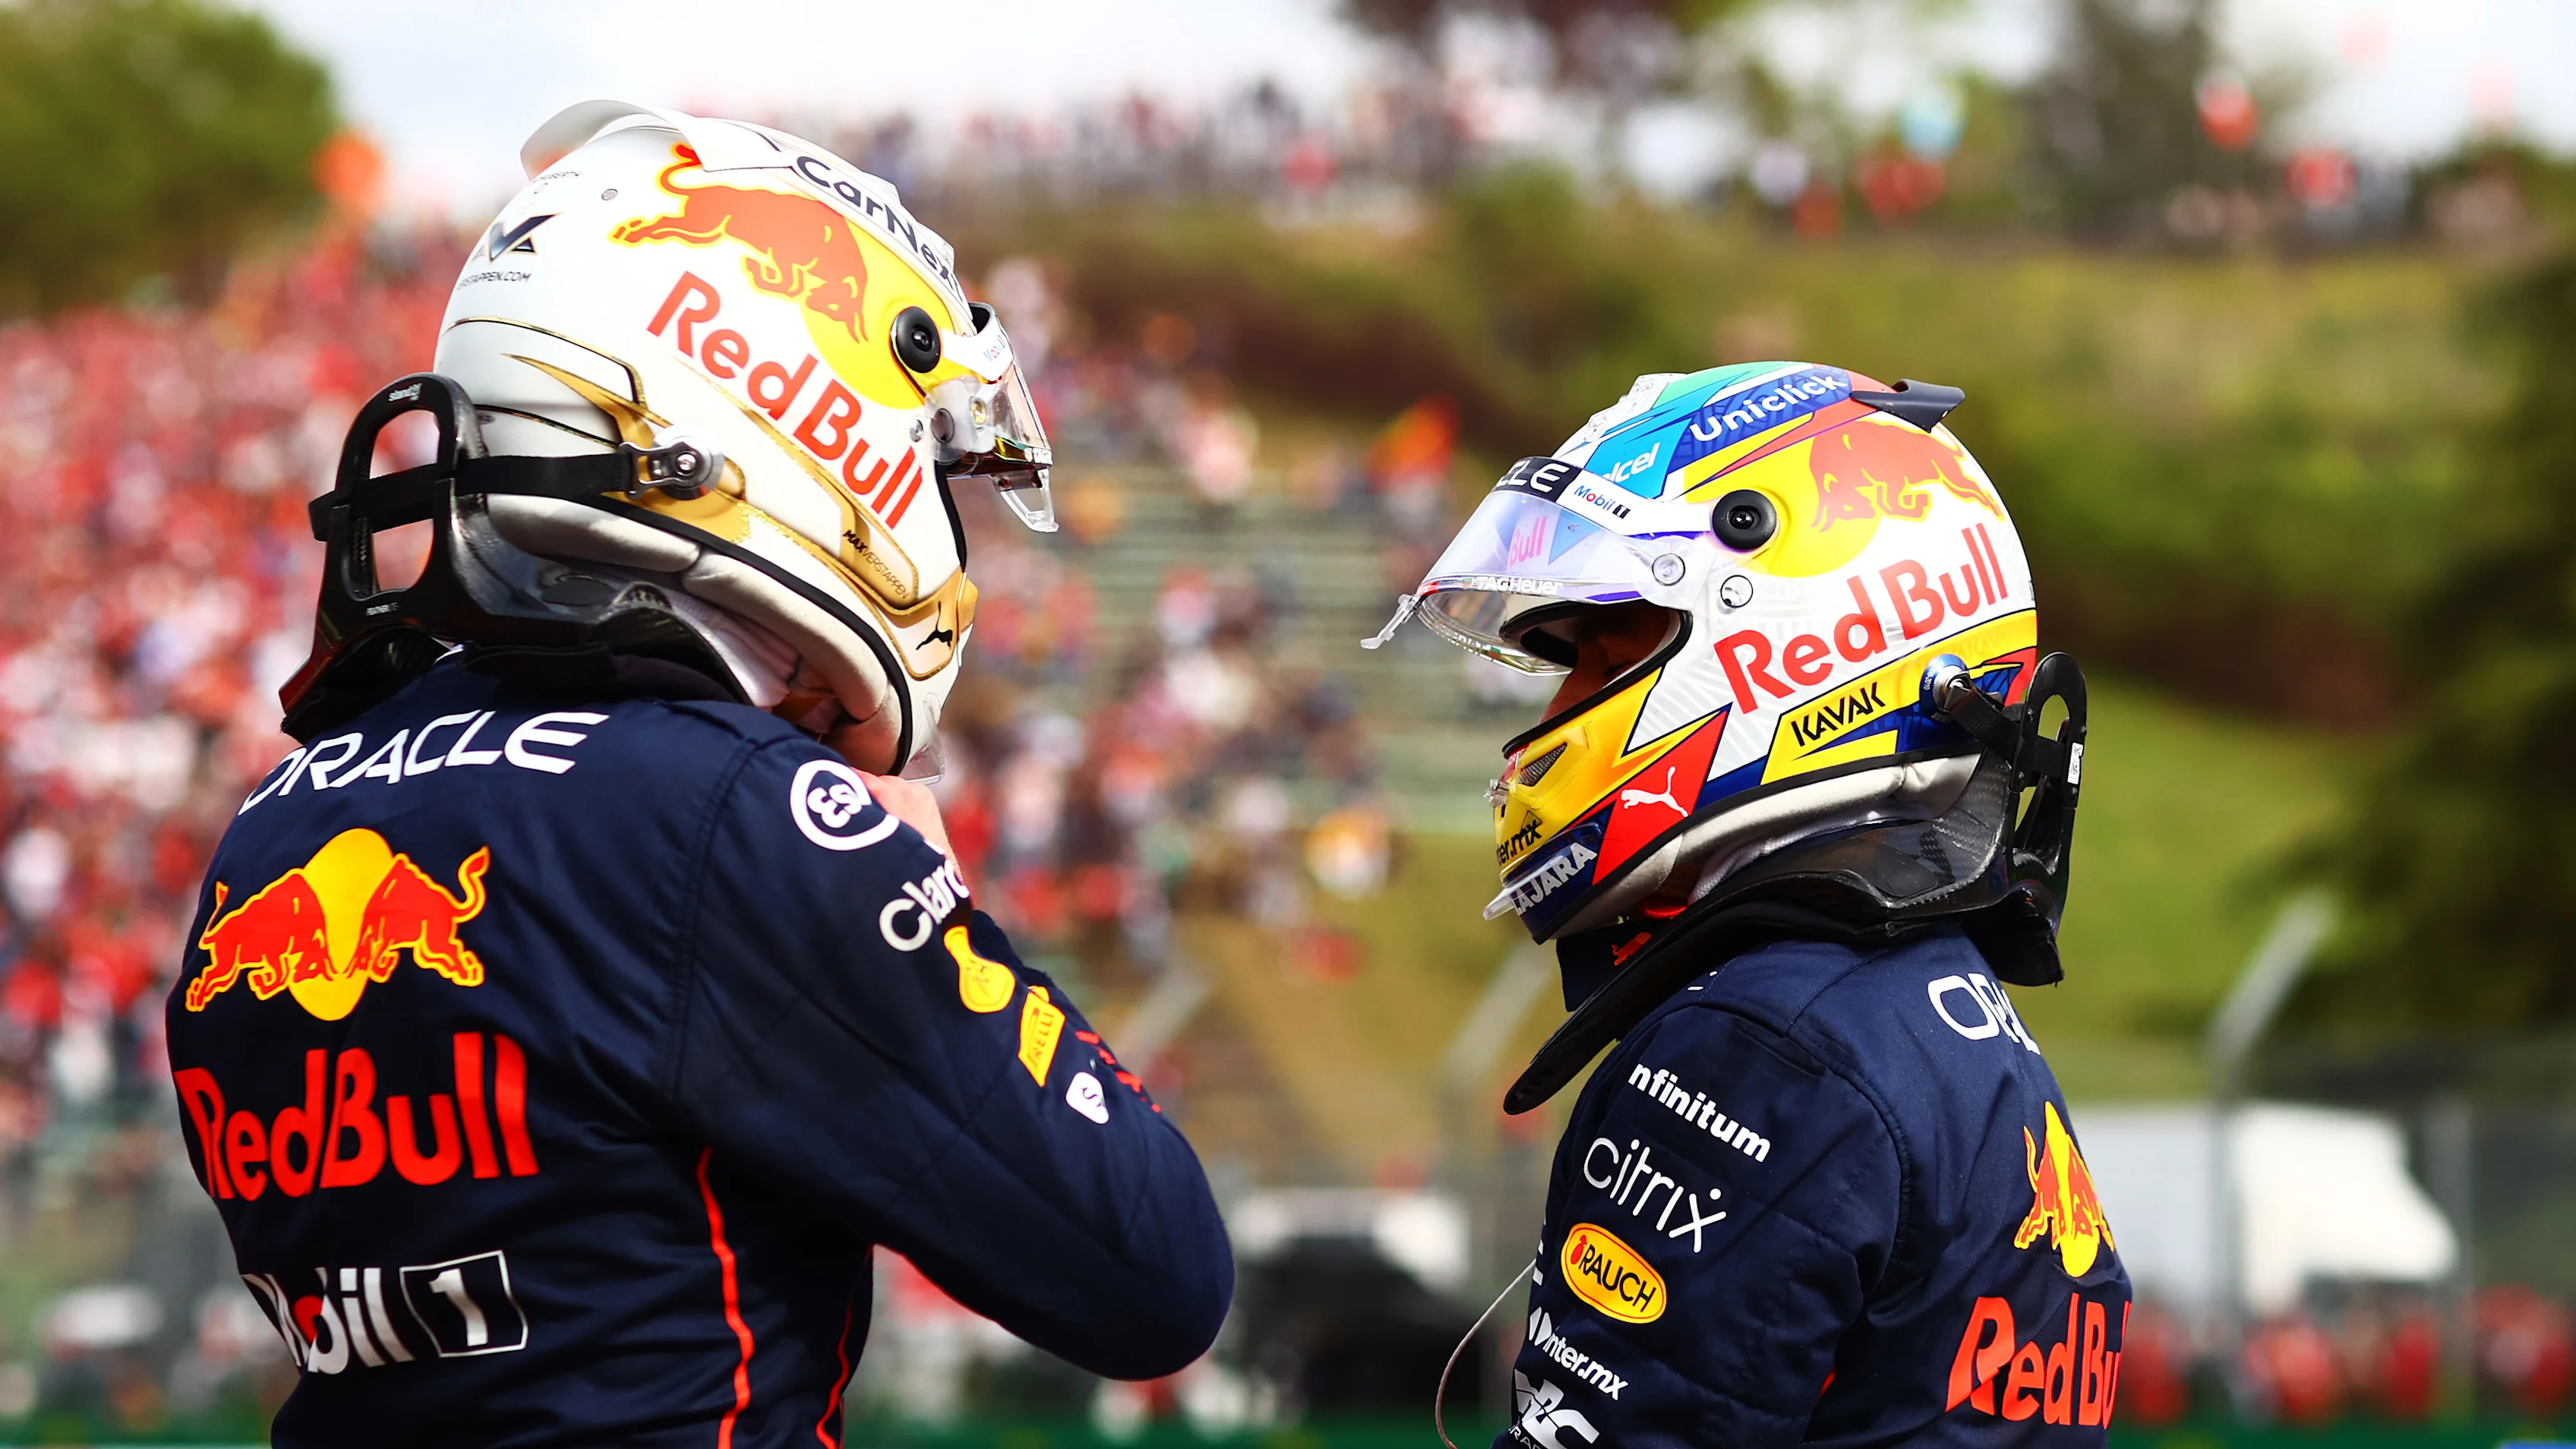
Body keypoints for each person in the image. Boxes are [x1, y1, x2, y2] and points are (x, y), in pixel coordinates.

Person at [163, 103, 1231, 1447]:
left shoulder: (278, 815)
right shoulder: (721, 809)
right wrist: (931, 901)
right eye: (927, 457)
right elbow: (1152, 1271)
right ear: (783, 396)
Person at [1375, 364, 2129, 1447]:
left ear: (1793, 644)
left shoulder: (1764, 1048)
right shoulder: (1934, 1015)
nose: (1557, 712)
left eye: (1608, 654)